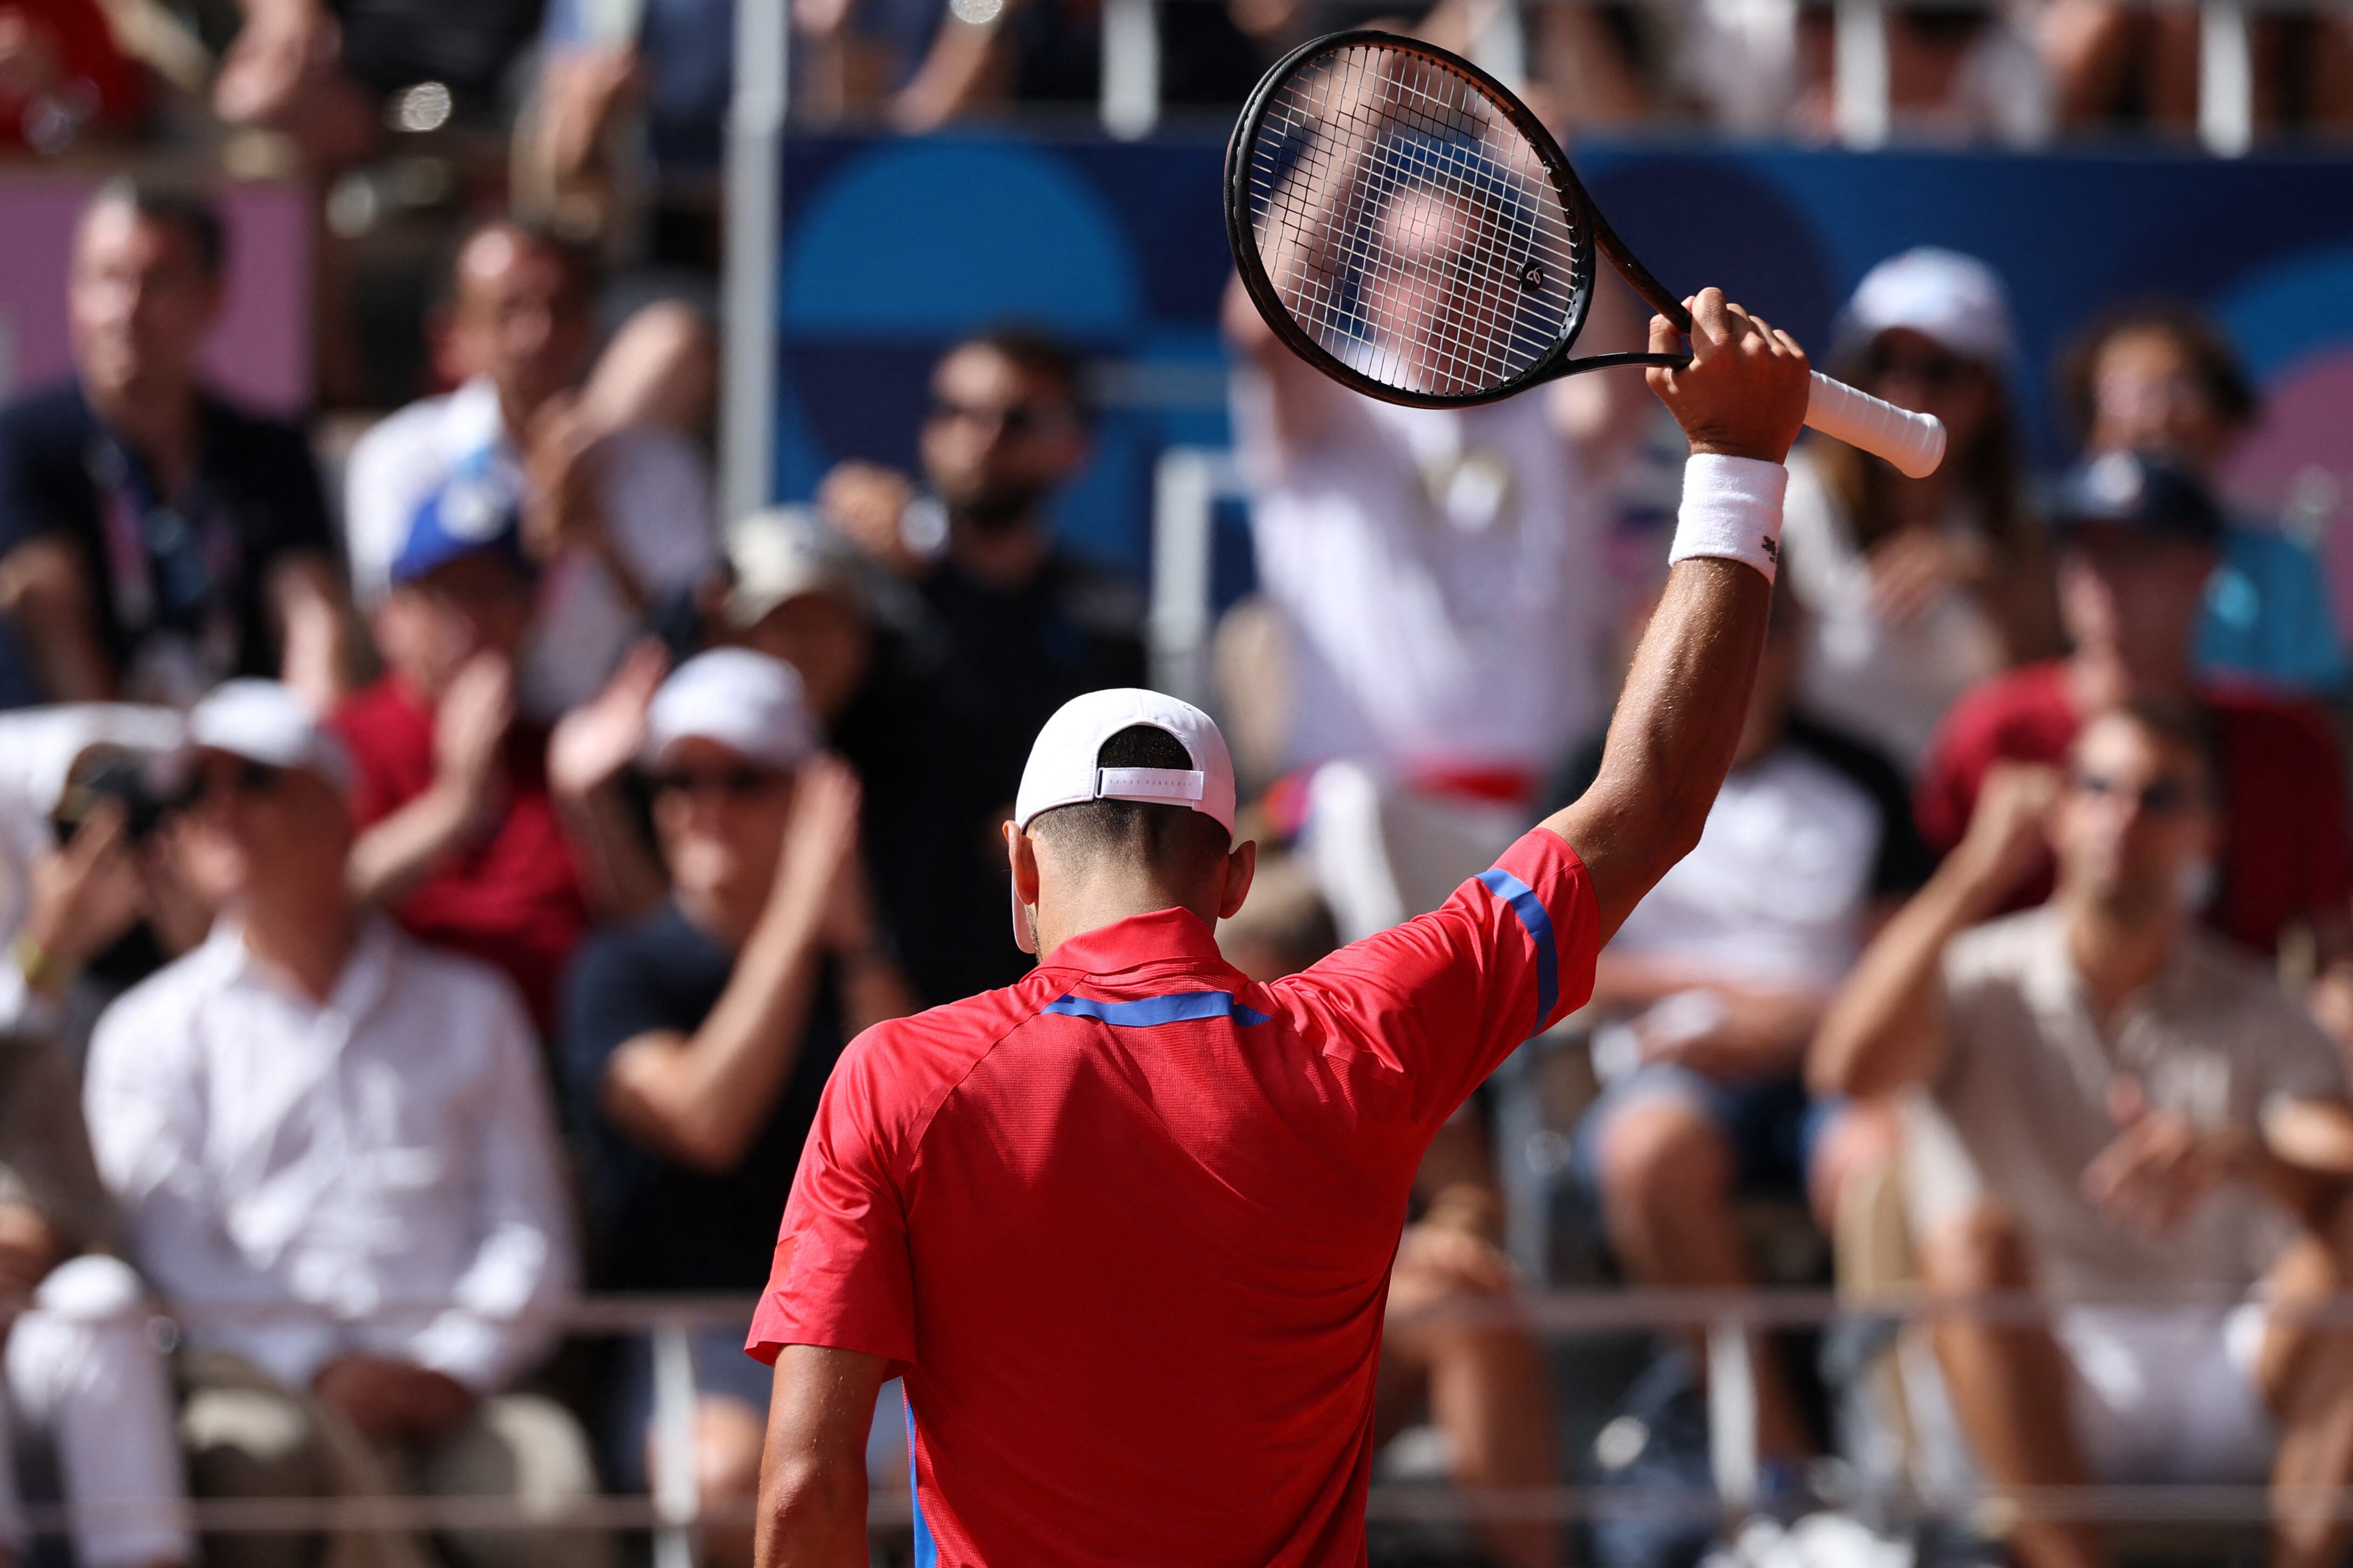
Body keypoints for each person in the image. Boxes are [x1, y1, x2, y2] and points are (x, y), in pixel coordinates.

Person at [747, 288, 1812, 1564]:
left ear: (1019, 871)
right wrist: (1735, 465)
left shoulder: (897, 1082)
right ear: (1235, 879)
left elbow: (806, 1489)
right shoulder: (1358, 1037)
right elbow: (1642, 806)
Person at [1811, 701, 2353, 1568]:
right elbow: (1845, 1068)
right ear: (2059, 809)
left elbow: (2336, 1168)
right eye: (2096, 786)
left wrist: (2237, 1152)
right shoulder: (1974, 975)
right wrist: (1973, 873)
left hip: (2218, 1368)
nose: (2122, 816)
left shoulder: (2263, 1007)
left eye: (2161, 795)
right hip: (2034, 1382)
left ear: (2207, 832)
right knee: (1970, 1246)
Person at [81, 680, 604, 1568]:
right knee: (260, 1461)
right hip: (254, 1380)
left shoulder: (472, 1007)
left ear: (337, 807)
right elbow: (172, 1248)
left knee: (550, 1493)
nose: (220, 810)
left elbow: (530, 1233)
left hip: (458, 1391)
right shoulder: (146, 1031)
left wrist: (452, 1366)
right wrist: (318, 1365)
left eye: (252, 779)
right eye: (197, 788)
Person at [1563, 571, 1931, 1472]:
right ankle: (1779, 1464)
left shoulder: (1866, 778)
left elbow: (1905, 968)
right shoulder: (1593, 778)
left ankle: (1902, 1456)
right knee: (1649, 1160)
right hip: (1668, 1070)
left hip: (1834, 1067)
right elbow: (1542, 956)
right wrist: (1717, 995)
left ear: (1799, 644)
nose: (1741, 653)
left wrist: (1804, 1023)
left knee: (1888, 1168)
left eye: (1765, 629)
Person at [560, 650, 912, 1565]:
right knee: (728, 1488)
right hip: (692, 1338)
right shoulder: (616, 969)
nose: (703, 804)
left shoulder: (856, 959)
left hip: (856, 1334)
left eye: (742, 779)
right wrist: (802, 911)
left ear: (806, 797)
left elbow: (917, 1142)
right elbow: (706, 1119)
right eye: (679, 777)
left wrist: (856, 932)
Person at [1220, 175, 1639, 938]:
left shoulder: (1556, 412)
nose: (1440, 292)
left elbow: (1619, 378)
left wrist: (1552, 180)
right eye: (1406, 266)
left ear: (1519, 287)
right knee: (1355, 807)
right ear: (1370, 285)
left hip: (1533, 827)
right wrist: (1361, 118)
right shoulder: (1331, 405)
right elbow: (1257, 325)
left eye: (1470, 263)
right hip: (1339, 839)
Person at [1220, 855, 1563, 1568]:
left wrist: (1451, 1233)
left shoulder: (1368, 1040)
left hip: (1332, 1336)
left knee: (1467, 1304)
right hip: (1207, 1348)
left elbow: (1470, 1192)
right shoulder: (1174, 1051)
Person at [1914, 449, 2351, 967]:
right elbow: (1914, 947)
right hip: (2025, 1036)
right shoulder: (1994, 730)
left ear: (2203, 572)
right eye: (2086, 549)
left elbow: (2335, 950)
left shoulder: (2286, 743)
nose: (2102, 576)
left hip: (2226, 1036)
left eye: (2136, 551)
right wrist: (1980, 869)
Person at [820, 329, 1147, 997]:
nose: (984, 435)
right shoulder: (867, 590)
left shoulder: (1102, 616)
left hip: (1045, 993)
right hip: (866, 977)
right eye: (956, 411)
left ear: (1073, 447)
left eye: (1017, 418)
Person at [343, 218, 720, 719]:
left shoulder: (665, 467)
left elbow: (693, 641)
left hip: (620, 745)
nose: (537, 334)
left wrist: (596, 537)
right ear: (452, 336)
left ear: (590, 327)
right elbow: (401, 633)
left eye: (560, 309)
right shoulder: (397, 456)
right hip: (452, 736)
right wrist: (536, 536)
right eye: (508, 312)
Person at [0, 179, 350, 710]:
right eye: (107, 280)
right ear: (73, 292)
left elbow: (312, 616)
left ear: (214, 297)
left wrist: (317, 752)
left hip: (237, 748)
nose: (127, 311)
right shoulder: (21, 440)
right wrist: (128, 767)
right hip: (79, 748)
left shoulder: (270, 449)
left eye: (156, 282)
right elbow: (52, 618)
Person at [332, 471, 663, 1031]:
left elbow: (652, 943)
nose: (473, 618)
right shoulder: (340, 744)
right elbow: (312, 906)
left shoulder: (567, 743)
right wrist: (452, 809)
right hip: (384, 1057)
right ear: (393, 614)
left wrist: (591, 805)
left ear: (532, 613)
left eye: (495, 591)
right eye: (448, 592)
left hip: (544, 1066)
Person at [1779, 248, 2058, 770]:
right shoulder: (1787, 501)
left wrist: (1984, 576)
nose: (1906, 390)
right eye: (1883, 364)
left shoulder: (2020, 528)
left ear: (1990, 394)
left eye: (1940, 370)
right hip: (1821, 829)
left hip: (1961, 821)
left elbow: (2051, 703)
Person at [2061, 302, 2348, 696]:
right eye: (2128, 393)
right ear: (2091, 422)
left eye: (2181, 390)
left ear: (2228, 419)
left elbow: (2320, 708)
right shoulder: (2043, 553)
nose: (2157, 415)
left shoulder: (2283, 561)